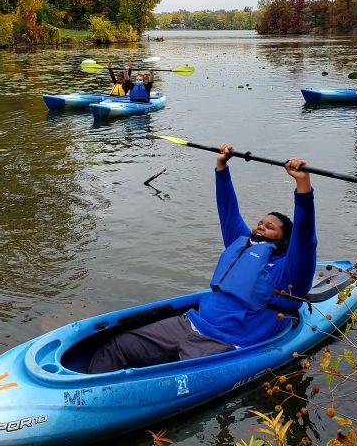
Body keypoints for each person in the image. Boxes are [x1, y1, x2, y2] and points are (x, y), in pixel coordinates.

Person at [87, 144, 317, 374]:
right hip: (190, 323)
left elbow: (305, 239)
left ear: (285, 239)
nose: (261, 227)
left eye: (270, 227)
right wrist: (221, 167)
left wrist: (303, 187)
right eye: (261, 223)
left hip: (227, 341)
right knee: (117, 346)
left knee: (176, 375)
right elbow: (227, 208)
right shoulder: (240, 243)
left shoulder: (289, 272)